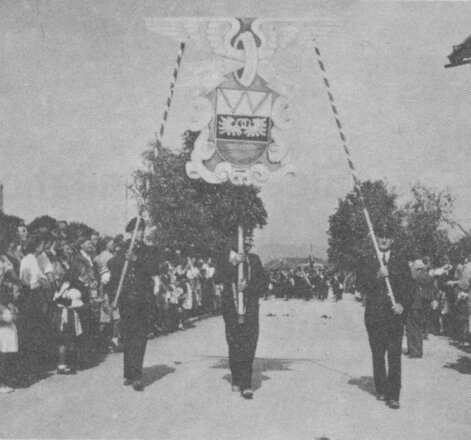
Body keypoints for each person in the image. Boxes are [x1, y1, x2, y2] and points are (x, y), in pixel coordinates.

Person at [355, 221, 413, 409]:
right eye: (380, 237)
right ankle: (381, 388)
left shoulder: (401, 260)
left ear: (392, 240)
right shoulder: (368, 260)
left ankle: (393, 395)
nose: (384, 240)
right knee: (378, 355)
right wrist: (377, 276)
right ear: (376, 238)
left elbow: (409, 288)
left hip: (394, 316)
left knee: (394, 355)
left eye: (387, 237)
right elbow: (362, 285)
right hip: (374, 316)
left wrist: (402, 304)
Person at [108, 217, 160, 391]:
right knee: (129, 336)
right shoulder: (122, 250)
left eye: (142, 230)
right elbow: (113, 269)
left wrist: (137, 259)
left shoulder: (148, 250)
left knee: (140, 337)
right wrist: (124, 258)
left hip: (143, 299)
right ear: (130, 232)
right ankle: (129, 373)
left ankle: (137, 375)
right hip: (127, 300)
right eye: (137, 230)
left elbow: (154, 269)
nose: (140, 233)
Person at [215, 242, 268, 400]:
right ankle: (236, 376)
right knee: (234, 343)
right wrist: (233, 264)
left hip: (250, 309)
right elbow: (218, 278)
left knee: (249, 343)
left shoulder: (254, 260)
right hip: (231, 309)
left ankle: (246, 383)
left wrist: (248, 286)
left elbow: (264, 284)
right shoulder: (225, 259)